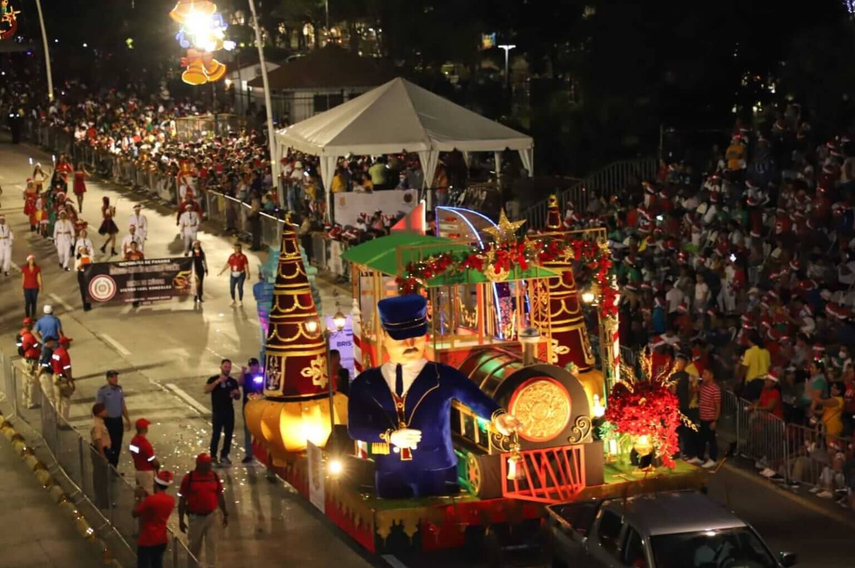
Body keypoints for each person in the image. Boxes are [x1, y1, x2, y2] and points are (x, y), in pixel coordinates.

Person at [348, 295, 520, 498]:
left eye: (417, 336)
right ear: (384, 336)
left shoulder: (442, 375)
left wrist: (498, 416)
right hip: (390, 471)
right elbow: (356, 428)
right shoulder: (366, 383)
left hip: (437, 469)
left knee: (441, 522)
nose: (410, 343)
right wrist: (390, 436)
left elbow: (473, 396)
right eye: (401, 338)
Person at [178, 453, 228, 568]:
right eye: (207, 463)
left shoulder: (214, 477)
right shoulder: (189, 478)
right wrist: (181, 520)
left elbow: (219, 495)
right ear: (199, 465)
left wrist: (225, 514)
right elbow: (182, 499)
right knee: (194, 547)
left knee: (212, 546)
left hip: (212, 516)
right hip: (196, 518)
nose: (210, 465)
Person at [133, 470, 176, 568]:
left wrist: (137, 498)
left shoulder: (151, 500)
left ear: (155, 483)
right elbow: (156, 506)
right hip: (161, 539)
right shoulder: (171, 500)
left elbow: (135, 513)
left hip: (147, 539)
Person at [204, 360, 240, 465]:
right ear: (221, 367)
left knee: (228, 435)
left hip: (229, 411)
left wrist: (236, 394)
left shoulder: (233, 382)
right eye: (225, 367)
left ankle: (224, 455)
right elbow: (206, 389)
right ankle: (213, 456)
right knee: (216, 435)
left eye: (229, 367)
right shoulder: (213, 379)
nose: (227, 369)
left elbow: (238, 397)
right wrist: (217, 381)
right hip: (218, 411)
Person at [96, 370, 132, 468]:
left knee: (118, 444)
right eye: (112, 377)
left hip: (118, 421)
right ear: (108, 379)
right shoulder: (103, 391)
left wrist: (127, 419)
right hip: (108, 422)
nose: (115, 379)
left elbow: (122, 405)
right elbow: (99, 407)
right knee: (109, 445)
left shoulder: (119, 389)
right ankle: (108, 465)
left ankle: (114, 466)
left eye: (116, 377)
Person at [238, 358, 263, 464]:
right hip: (247, 407)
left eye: (254, 365)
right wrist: (242, 372)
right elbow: (240, 383)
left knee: (261, 431)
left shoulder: (262, 377)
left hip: (260, 407)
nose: (253, 368)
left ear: (258, 366)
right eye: (251, 366)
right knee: (247, 430)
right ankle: (249, 453)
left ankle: (262, 454)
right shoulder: (247, 377)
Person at [697, 368, 721, 468]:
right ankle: (700, 457)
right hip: (702, 417)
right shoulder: (703, 386)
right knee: (701, 438)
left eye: (705, 374)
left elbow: (718, 406)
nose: (703, 375)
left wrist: (715, 420)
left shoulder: (715, 389)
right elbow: (694, 390)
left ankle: (713, 459)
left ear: (711, 375)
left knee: (711, 439)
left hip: (710, 418)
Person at [130, 418, 160, 495]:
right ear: (145, 429)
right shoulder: (145, 444)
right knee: (149, 492)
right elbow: (153, 461)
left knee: (139, 492)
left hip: (138, 470)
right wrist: (158, 466)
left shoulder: (133, 441)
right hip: (147, 472)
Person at [738, 332, 771, 401]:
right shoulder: (766, 352)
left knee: (746, 402)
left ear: (750, 341)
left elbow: (744, 367)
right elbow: (769, 367)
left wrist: (740, 378)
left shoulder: (749, 352)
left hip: (752, 383)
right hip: (764, 382)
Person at [90, 402, 111, 508]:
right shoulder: (97, 425)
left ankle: (102, 501)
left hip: (102, 451)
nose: (106, 411)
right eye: (104, 410)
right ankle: (102, 502)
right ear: (99, 413)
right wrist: (103, 456)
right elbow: (98, 440)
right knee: (101, 478)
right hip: (100, 452)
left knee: (102, 477)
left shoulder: (100, 422)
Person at [50, 336, 74, 421]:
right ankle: (64, 421)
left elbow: (52, 364)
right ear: (64, 344)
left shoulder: (56, 352)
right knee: (65, 401)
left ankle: (57, 420)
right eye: (68, 342)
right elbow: (67, 370)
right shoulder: (64, 354)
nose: (69, 344)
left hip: (55, 377)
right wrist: (71, 382)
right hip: (63, 379)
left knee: (58, 400)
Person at [19, 317, 41, 409]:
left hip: (25, 359)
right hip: (31, 362)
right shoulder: (29, 336)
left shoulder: (21, 333)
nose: (33, 326)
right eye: (32, 324)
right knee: (32, 382)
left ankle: (25, 400)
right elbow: (36, 346)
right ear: (28, 324)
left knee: (25, 381)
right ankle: (31, 402)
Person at [76, 247, 93, 311]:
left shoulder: (89, 257)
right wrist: (83, 263)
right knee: (83, 291)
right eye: (83, 250)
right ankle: (85, 305)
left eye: (85, 249)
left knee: (88, 290)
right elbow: (78, 267)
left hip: (88, 274)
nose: (85, 251)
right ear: (80, 251)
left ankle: (89, 304)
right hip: (82, 274)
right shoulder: (79, 258)